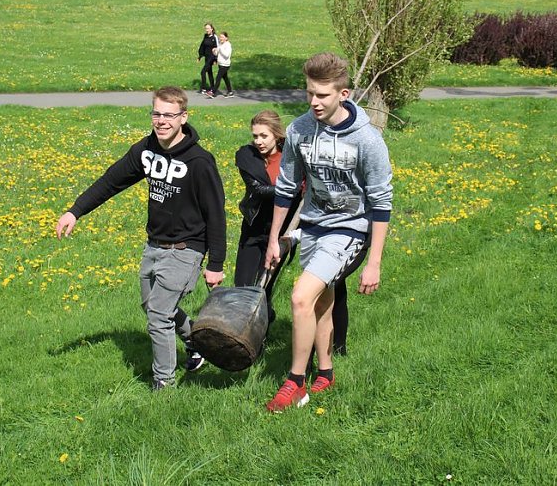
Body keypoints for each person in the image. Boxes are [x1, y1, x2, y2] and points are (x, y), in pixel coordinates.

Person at [56, 86, 227, 391]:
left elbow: (216, 214)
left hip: (185, 248)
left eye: (169, 115)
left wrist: (215, 263)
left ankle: (164, 385)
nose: (161, 121)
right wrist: (75, 211)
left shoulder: (199, 162)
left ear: (183, 117)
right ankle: (197, 343)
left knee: (158, 316)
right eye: (156, 113)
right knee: (152, 307)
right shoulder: (146, 150)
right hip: (154, 245)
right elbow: (111, 180)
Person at [262, 52, 393, 412]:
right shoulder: (299, 130)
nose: (314, 102)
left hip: (351, 230)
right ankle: (326, 372)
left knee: (300, 298)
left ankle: (295, 384)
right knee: (321, 302)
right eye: (309, 94)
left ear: (343, 94)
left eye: (322, 95)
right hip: (313, 227)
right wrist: (275, 238)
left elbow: (381, 202)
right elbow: (286, 186)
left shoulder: (366, 139)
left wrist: (375, 262)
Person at [234, 110, 352, 354]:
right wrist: (294, 190)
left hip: (283, 234)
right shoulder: (246, 155)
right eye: (255, 135)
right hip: (255, 230)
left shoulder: (295, 154)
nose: (258, 141)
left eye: (264, 136)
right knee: (244, 286)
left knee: (264, 284)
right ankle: (258, 326)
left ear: (277, 135)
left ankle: (258, 341)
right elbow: (257, 189)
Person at [208, 31, 234, 98]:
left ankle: (213, 92)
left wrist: (220, 48)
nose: (221, 38)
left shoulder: (228, 45)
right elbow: (217, 54)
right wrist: (214, 51)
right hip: (220, 64)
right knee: (225, 78)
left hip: (225, 65)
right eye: (220, 37)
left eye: (222, 37)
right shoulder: (220, 44)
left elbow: (227, 55)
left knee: (218, 78)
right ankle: (230, 92)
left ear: (226, 38)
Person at [197, 23, 218, 96]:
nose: (207, 30)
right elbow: (202, 46)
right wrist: (200, 56)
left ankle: (204, 88)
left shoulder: (214, 37)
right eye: (206, 28)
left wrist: (216, 59)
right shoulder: (205, 36)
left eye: (208, 28)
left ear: (212, 29)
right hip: (206, 57)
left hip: (211, 57)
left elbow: (217, 48)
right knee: (210, 73)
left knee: (203, 72)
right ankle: (212, 87)